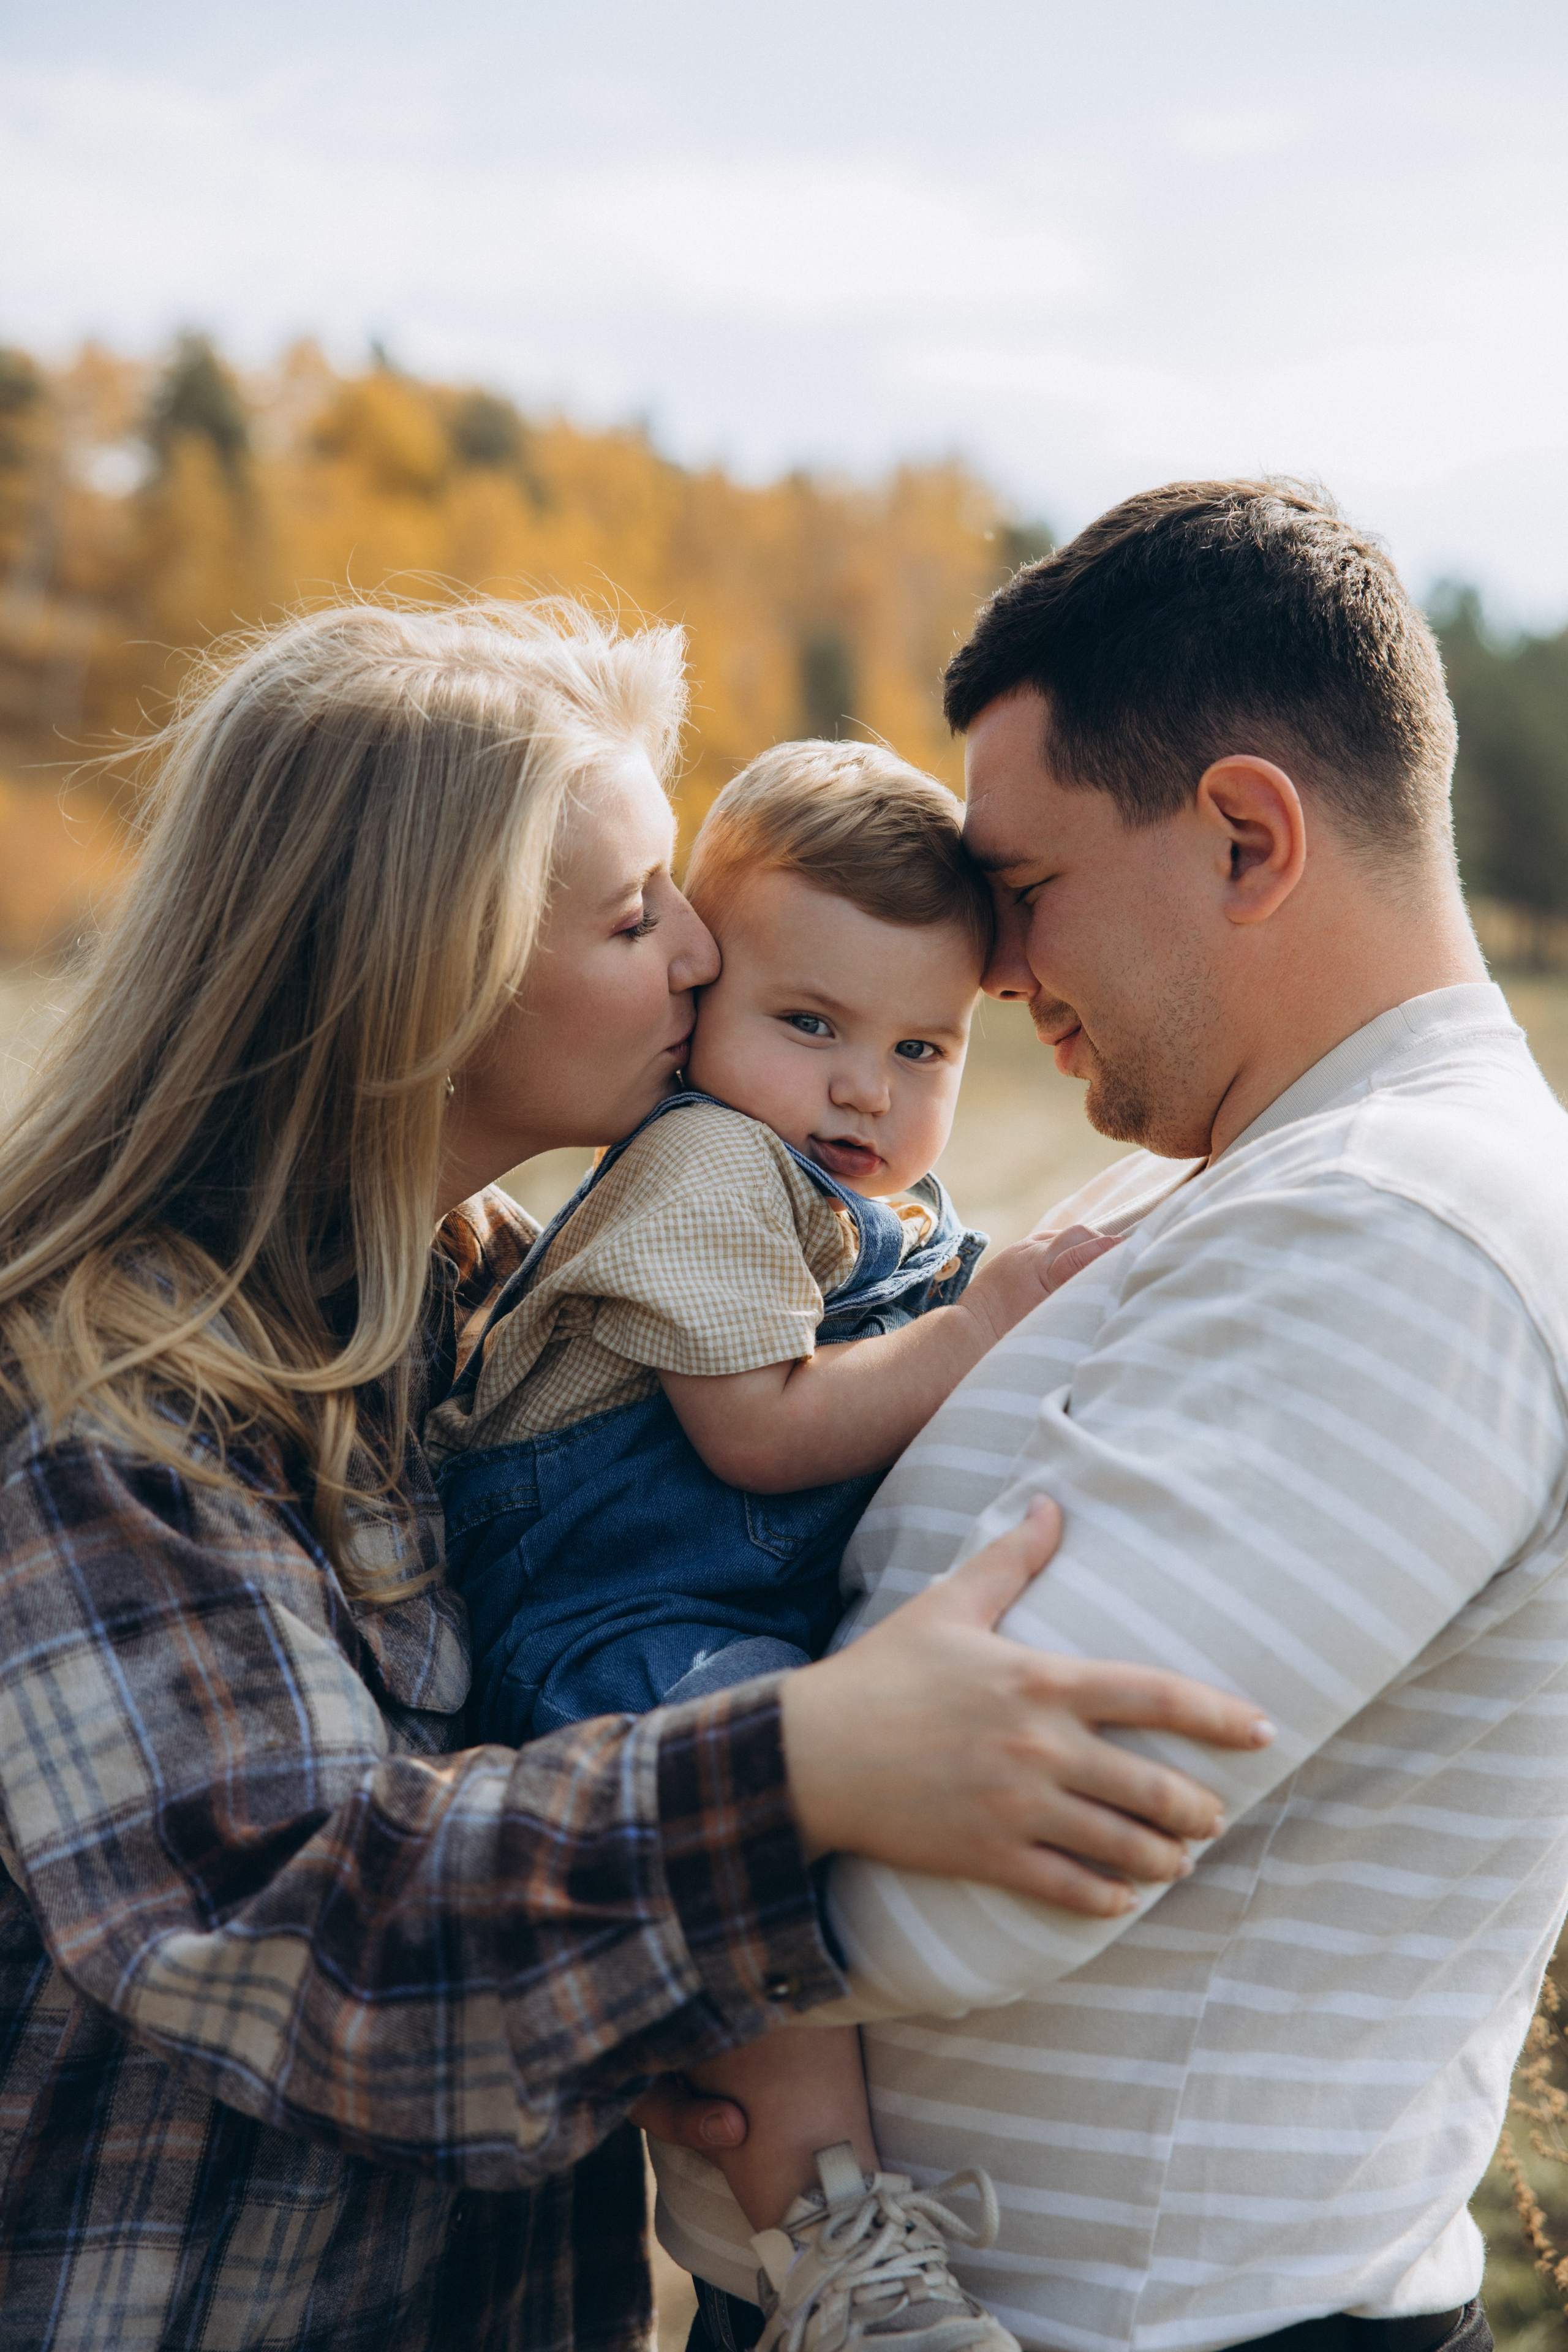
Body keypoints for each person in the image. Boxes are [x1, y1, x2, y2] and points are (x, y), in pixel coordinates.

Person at [0, 596, 1266, 2352]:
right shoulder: (103, 1401)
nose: (696, 947)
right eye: (633, 910)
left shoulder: (490, 1304)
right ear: (424, 974)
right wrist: (806, 1764)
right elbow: (292, 1942)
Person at [655, 479, 1568, 2352]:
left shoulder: (1407, 1228)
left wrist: (582, 1926)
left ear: (1246, 837)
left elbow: (969, 1893)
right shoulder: (1244, 1174)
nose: (991, 970)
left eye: (1028, 887)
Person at [428, 741, 1119, 2352]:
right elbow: (762, 1434)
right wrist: (981, 1328)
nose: (866, 1088)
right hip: (603, 1615)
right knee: (748, 1820)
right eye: (809, 1024)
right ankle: (837, 2253)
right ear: (703, 997)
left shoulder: (852, 1181)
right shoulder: (710, 1162)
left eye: (919, 1046)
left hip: (703, 1599)